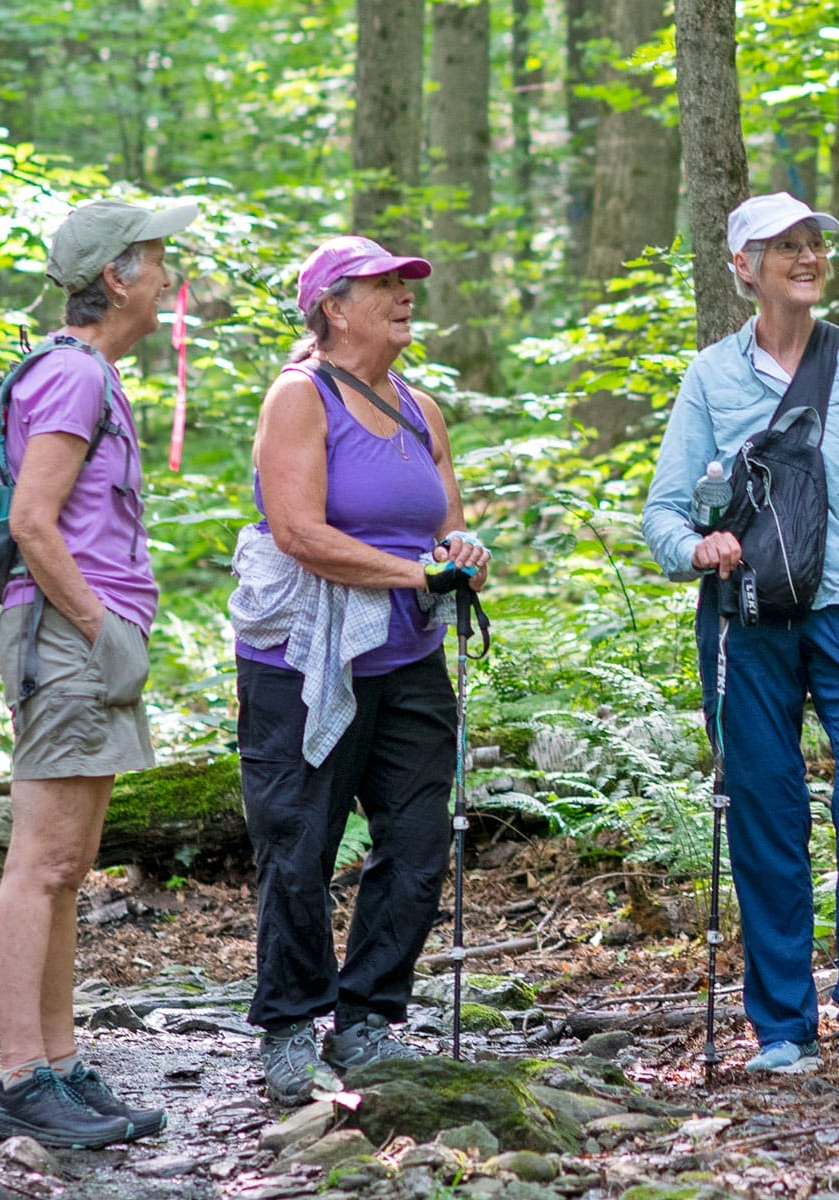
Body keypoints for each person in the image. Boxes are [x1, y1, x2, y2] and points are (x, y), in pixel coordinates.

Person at [642, 193, 839, 1074]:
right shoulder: (710, 377)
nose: (807, 257)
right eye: (785, 246)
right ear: (744, 266)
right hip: (747, 621)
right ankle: (781, 1029)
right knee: (767, 810)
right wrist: (701, 545)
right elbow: (660, 516)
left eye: (814, 243)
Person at [230, 236, 490, 1106]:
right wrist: (417, 573)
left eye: (408, 285)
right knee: (298, 846)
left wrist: (458, 550)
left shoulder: (419, 406)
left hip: (407, 654)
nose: (405, 298)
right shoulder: (299, 396)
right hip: (302, 657)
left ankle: (369, 1017)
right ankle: (290, 1028)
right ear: (334, 307)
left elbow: (445, 522)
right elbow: (299, 532)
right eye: (385, 287)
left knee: (418, 843)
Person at [0, 198, 198, 1148]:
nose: (168, 277)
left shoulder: (90, 374)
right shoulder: (72, 378)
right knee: (41, 866)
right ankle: (20, 1077)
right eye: (156, 261)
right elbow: (34, 522)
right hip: (68, 644)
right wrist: (101, 630)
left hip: (83, 643)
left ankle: (60, 1066)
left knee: (69, 869)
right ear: (116, 278)